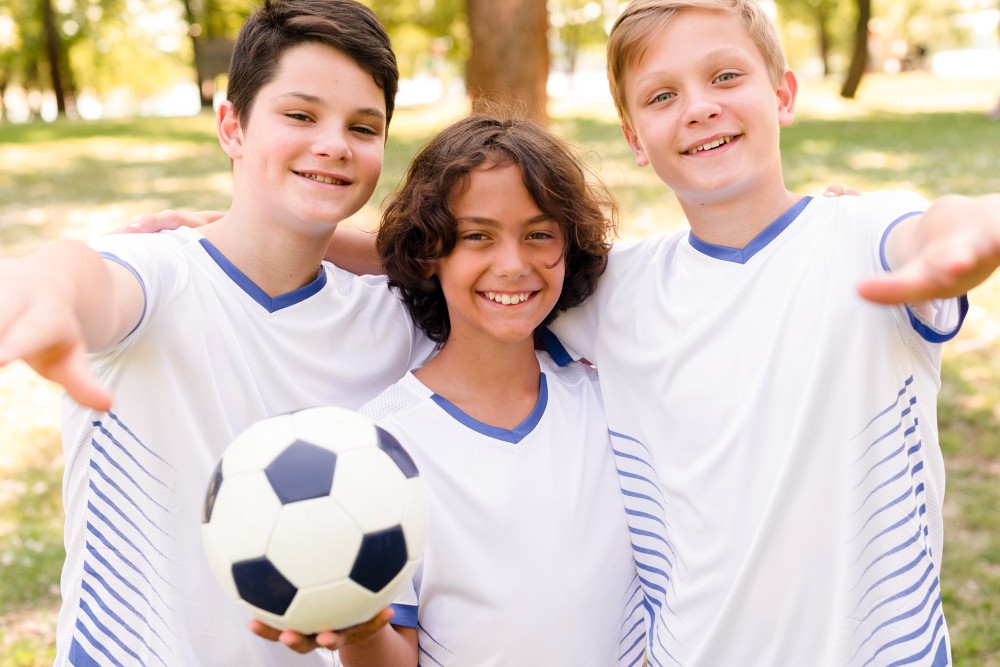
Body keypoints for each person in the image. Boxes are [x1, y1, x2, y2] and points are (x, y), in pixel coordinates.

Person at [544, 1, 1000, 666]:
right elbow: (459, 274)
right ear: (635, 138)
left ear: (783, 94)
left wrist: (975, 231)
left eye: (726, 77)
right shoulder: (612, 293)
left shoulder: (866, 234)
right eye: (663, 94)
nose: (699, 107)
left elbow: (943, 223)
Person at [0, 1, 435, 665]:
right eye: (300, 115)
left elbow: (483, 264)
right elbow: (87, 278)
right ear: (232, 126)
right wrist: (45, 290)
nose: (333, 144)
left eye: (363, 127)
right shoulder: (162, 272)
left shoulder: (392, 318)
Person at [333, 114, 644, 666]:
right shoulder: (380, 447)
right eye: (477, 236)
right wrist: (356, 628)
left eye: (539, 234)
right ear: (431, 252)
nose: (512, 264)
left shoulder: (611, 401)